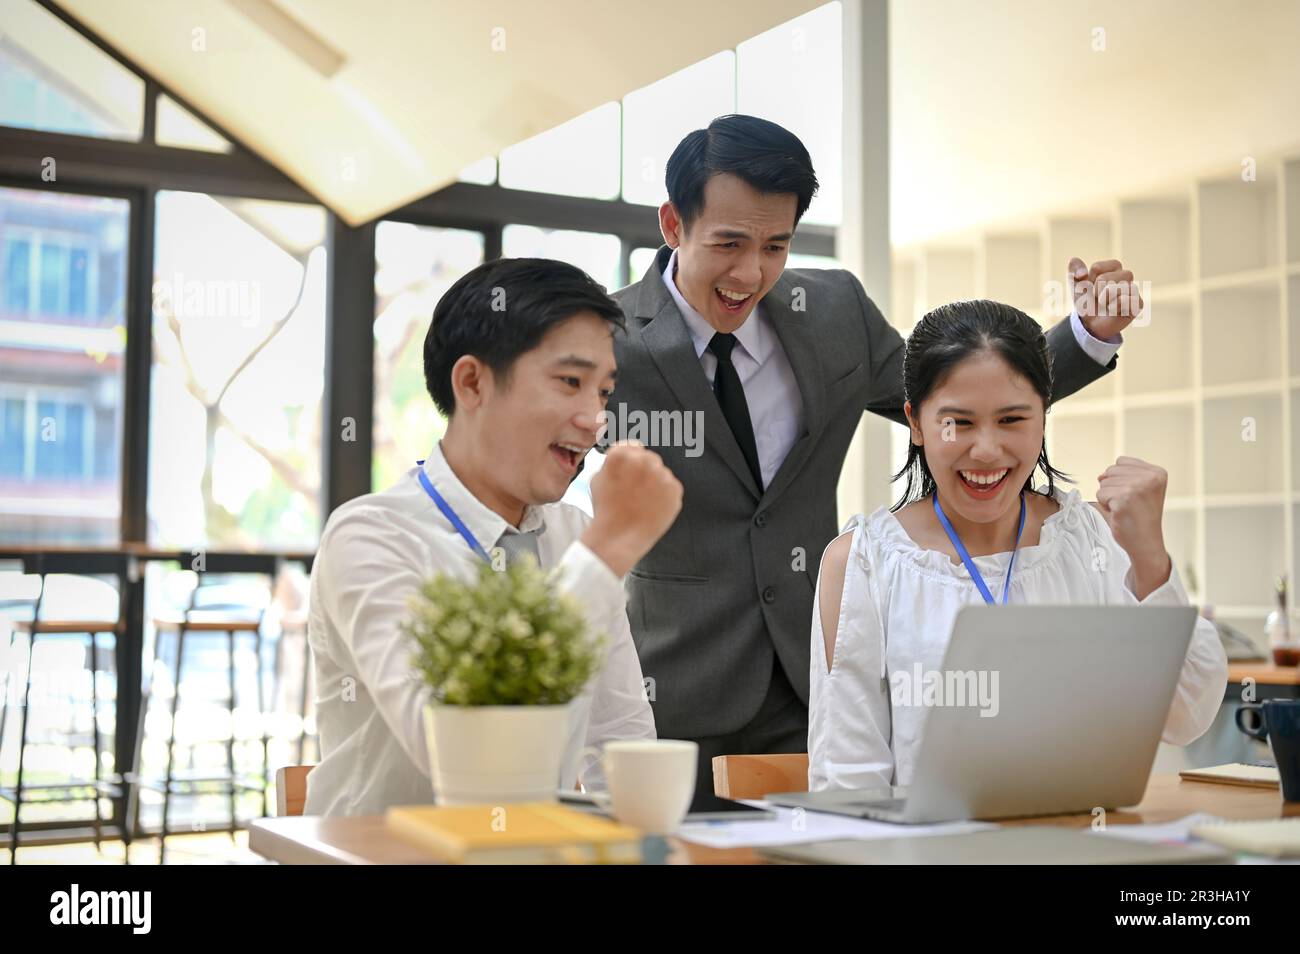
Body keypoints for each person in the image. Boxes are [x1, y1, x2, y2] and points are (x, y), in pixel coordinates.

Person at [605, 113, 1142, 799]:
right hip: (672, 691)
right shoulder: (609, 338)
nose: (752, 272)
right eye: (730, 243)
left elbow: (962, 403)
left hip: (812, 687)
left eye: (776, 245)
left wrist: (1088, 335)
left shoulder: (833, 313)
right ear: (673, 224)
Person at [304, 258, 682, 816]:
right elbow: (459, 758)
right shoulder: (371, 536)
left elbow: (619, 741)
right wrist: (606, 554)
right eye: (571, 382)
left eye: (604, 392)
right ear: (472, 382)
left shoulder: (575, 535)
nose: (594, 419)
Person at [807, 299, 1227, 791]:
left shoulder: (1091, 540)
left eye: (1011, 420)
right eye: (958, 423)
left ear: (1043, 418)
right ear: (915, 423)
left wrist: (1150, 558)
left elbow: (1185, 714)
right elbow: (848, 781)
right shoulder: (864, 563)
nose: (986, 450)